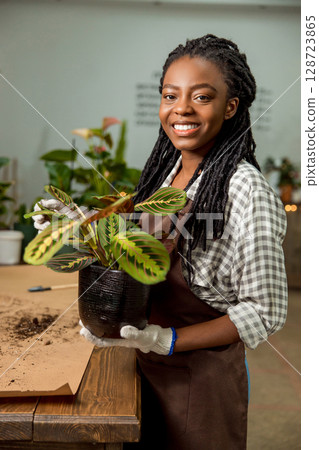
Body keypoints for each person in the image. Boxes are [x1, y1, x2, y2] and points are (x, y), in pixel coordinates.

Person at [34, 35, 288, 449]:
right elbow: (137, 236)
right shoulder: (169, 172)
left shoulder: (246, 191)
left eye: (202, 96)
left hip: (201, 379)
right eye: (170, 95)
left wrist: (167, 340)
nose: (181, 109)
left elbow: (265, 311)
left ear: (231, 107)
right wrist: (79, 222)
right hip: (145, 364)